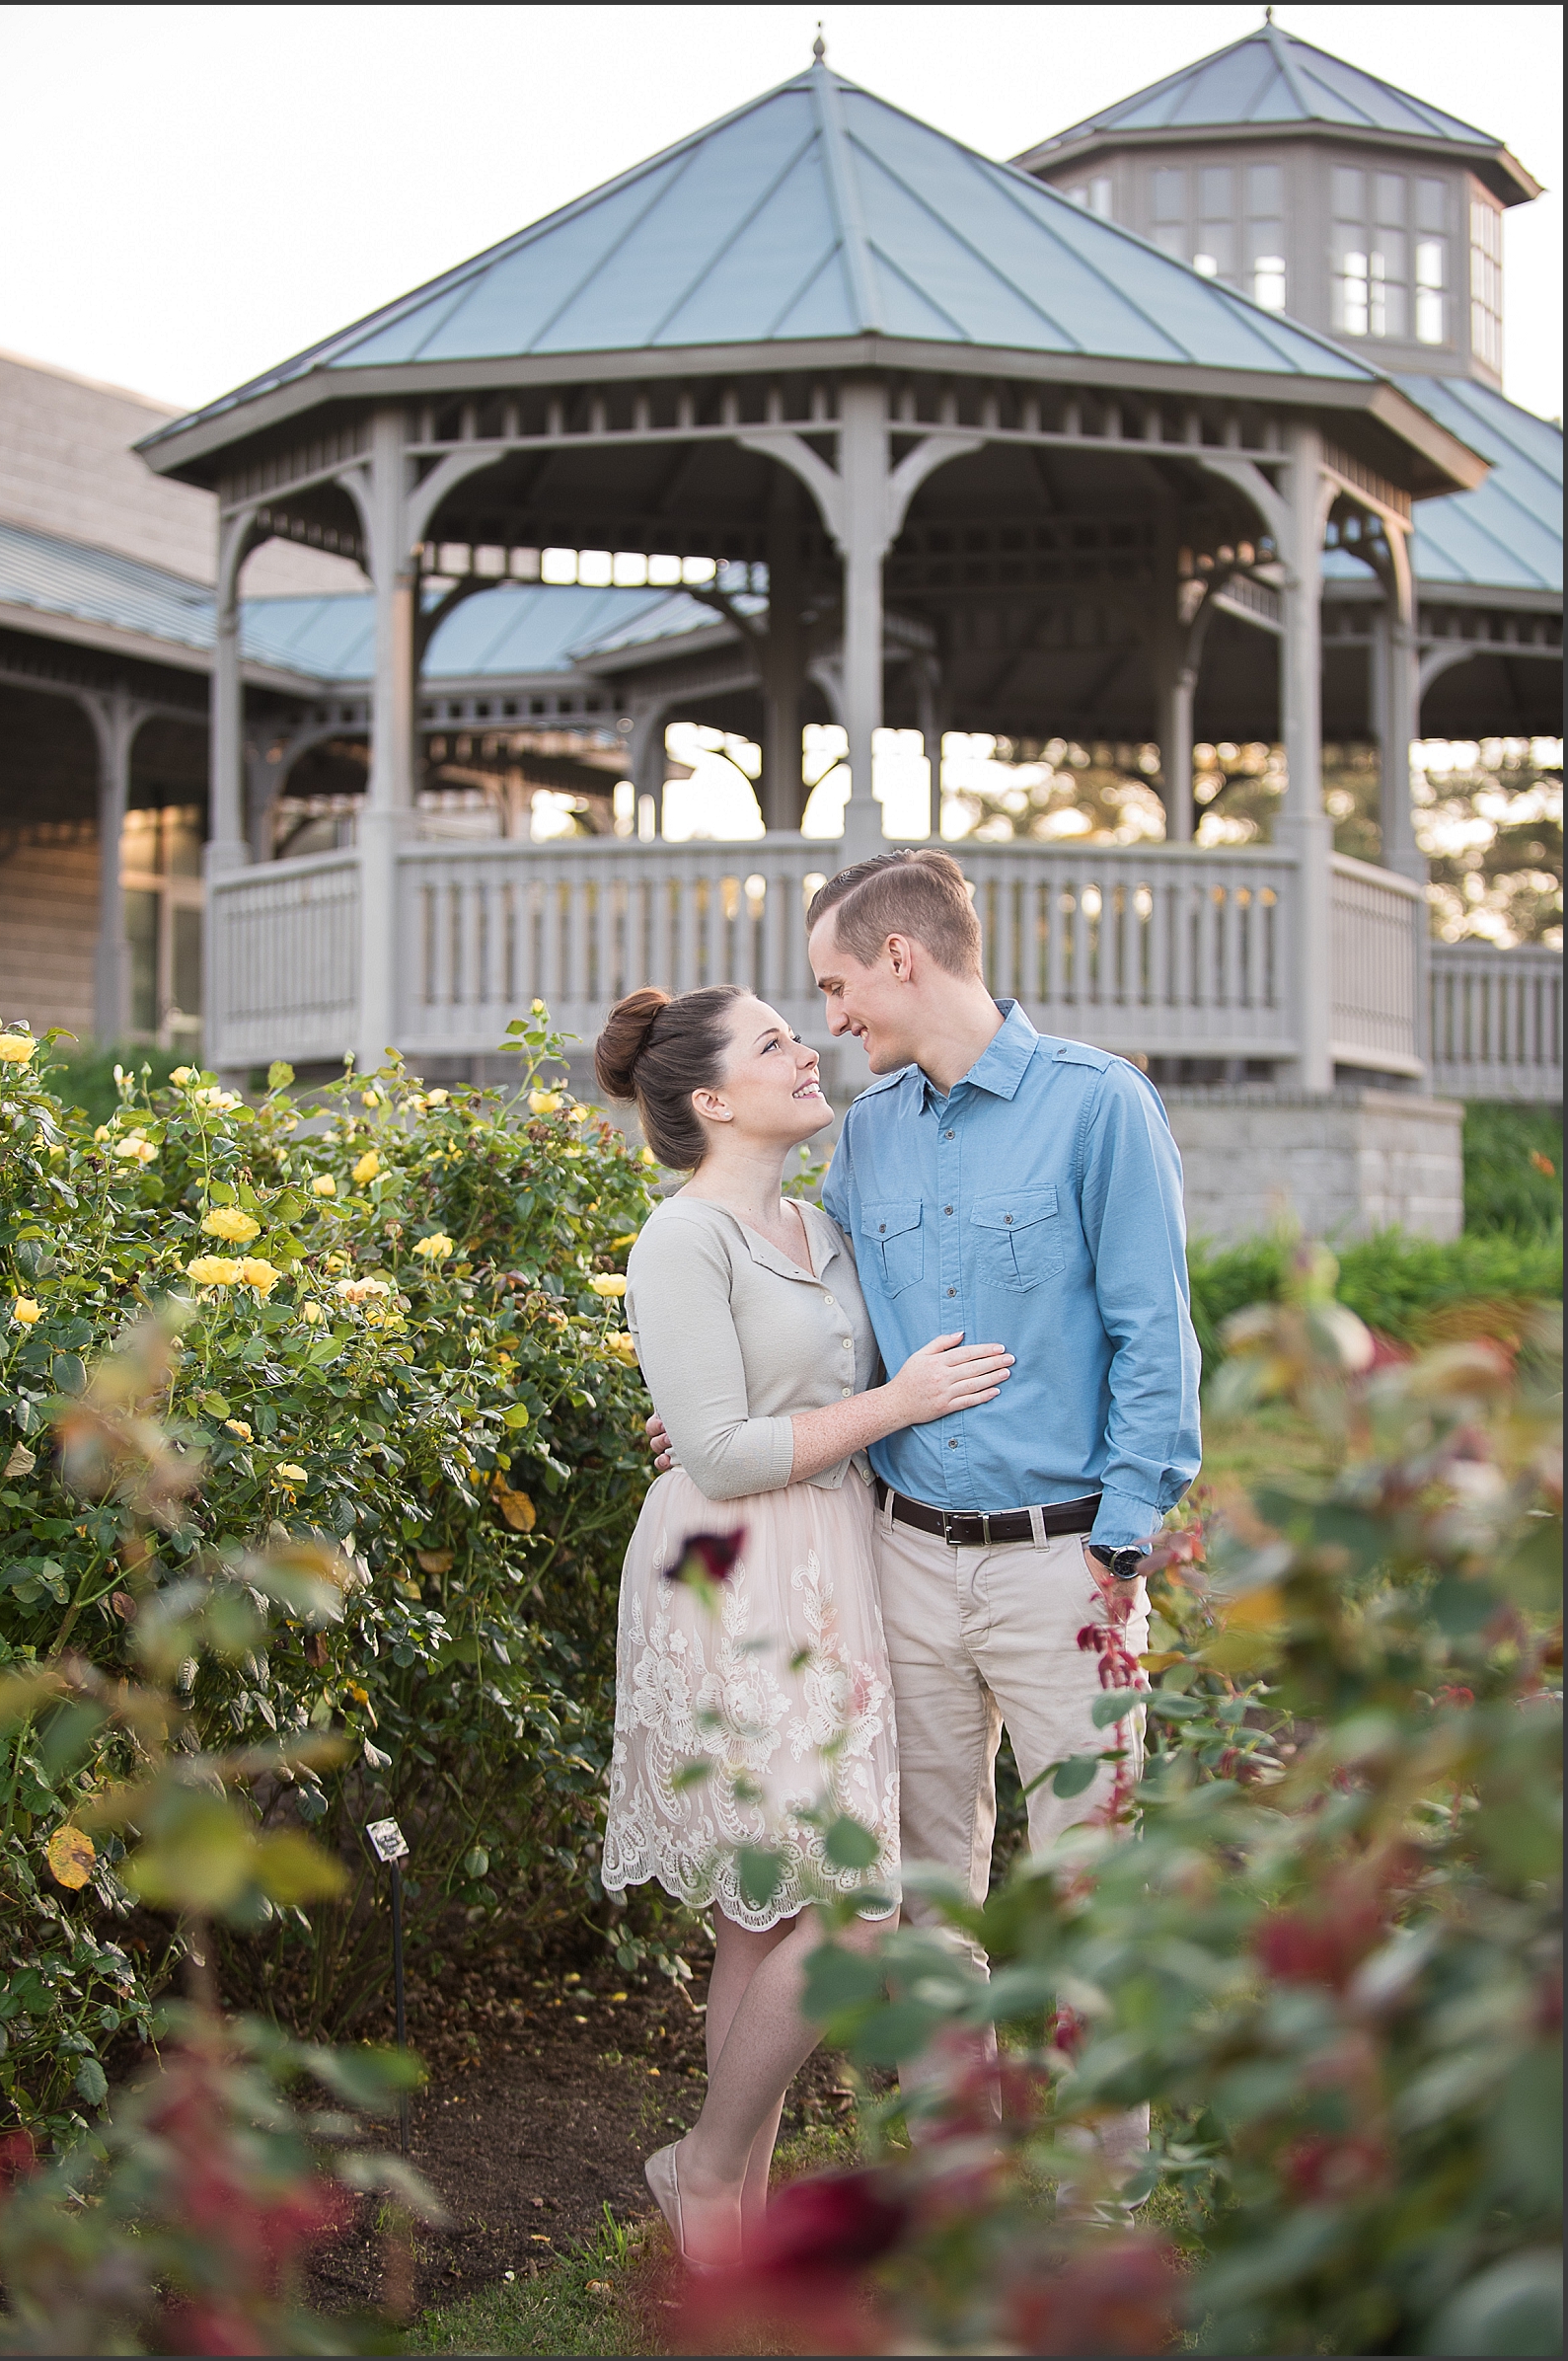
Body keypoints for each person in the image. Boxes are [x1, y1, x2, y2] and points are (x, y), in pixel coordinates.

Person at [648, 849, 1200, 2191]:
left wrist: (1120, 1548)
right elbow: (827, 1327)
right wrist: (713, 1421)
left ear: (902, 960)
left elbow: (1156, 1342)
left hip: (1066, 1559)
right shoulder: (872, 1133)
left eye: (837, 985)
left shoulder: (1098, 1108)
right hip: (895, 1555)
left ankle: (1092, 2200)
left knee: (1087, 1884)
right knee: (915, 1892)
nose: (831, 1017)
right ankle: (967, 2186)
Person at [594, 982, 1013, 2267]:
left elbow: (764, 1410)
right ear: (712, 1100)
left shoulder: (818, 1227)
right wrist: (900, 1401)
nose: (806, 1048)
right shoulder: (683, 1240)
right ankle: (707, 2173)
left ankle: (726, 2212)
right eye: (775, 1041)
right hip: (728, 1575)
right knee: (850, 1908)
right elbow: (720, 1455)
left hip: (834, 1562)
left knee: (768, 1915)